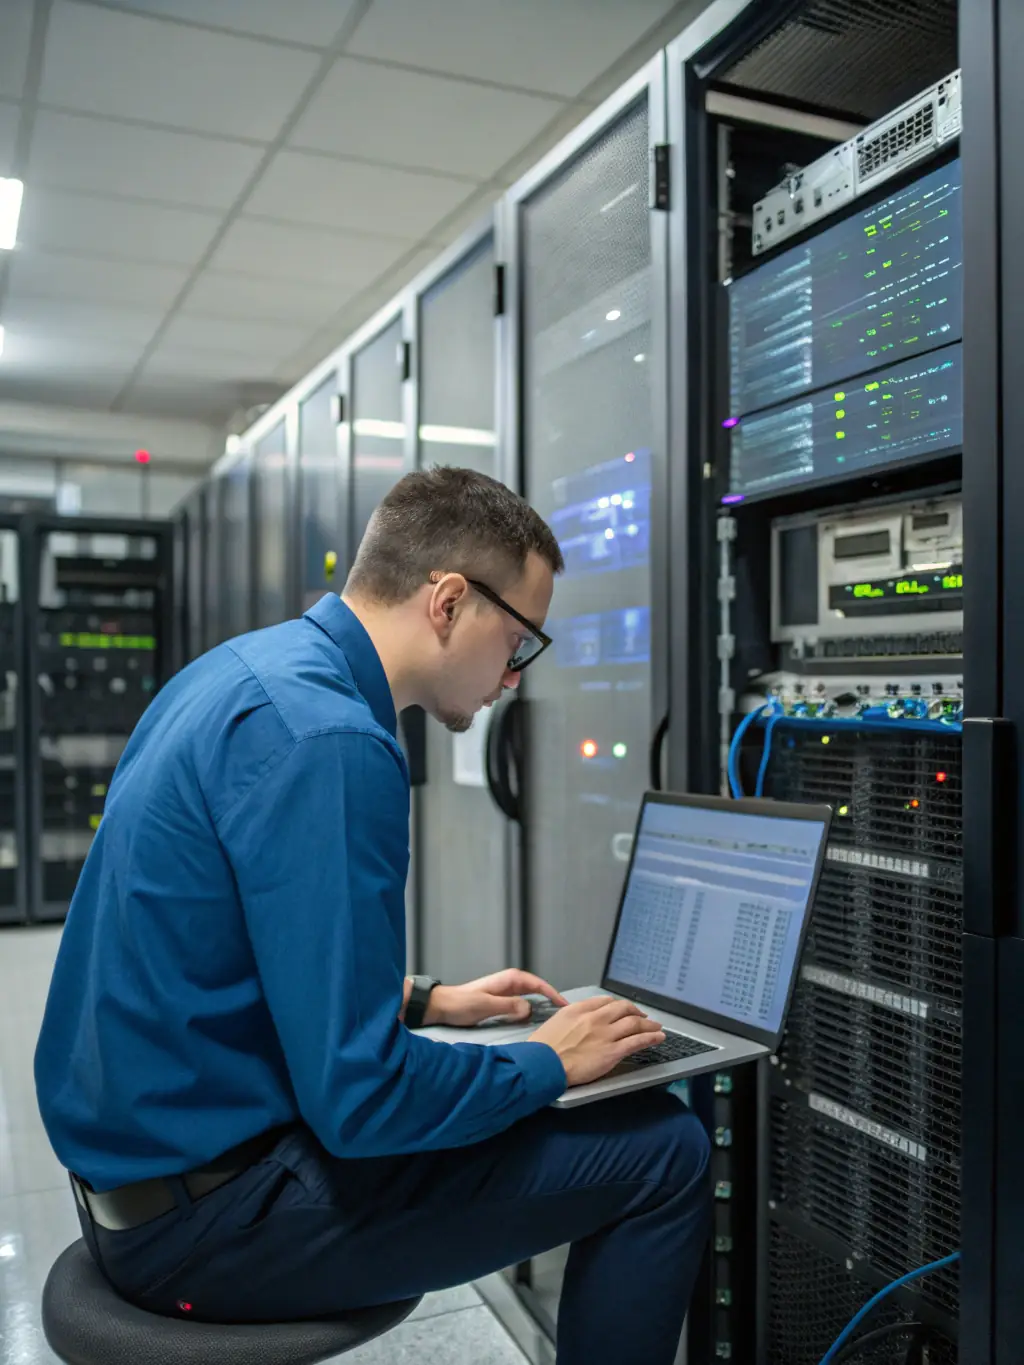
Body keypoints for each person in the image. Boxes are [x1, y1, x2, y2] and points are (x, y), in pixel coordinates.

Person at [34, 467, 710, 1365]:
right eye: (520, 639)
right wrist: (547, 1062)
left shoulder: (241, 674)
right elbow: (362, 1104)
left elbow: (207, 950)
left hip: (136, 1185)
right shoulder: (336, 743)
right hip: (214, 1224)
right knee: (663, 1149)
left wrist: (424, 1000)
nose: (514, 675)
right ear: (449, 601)